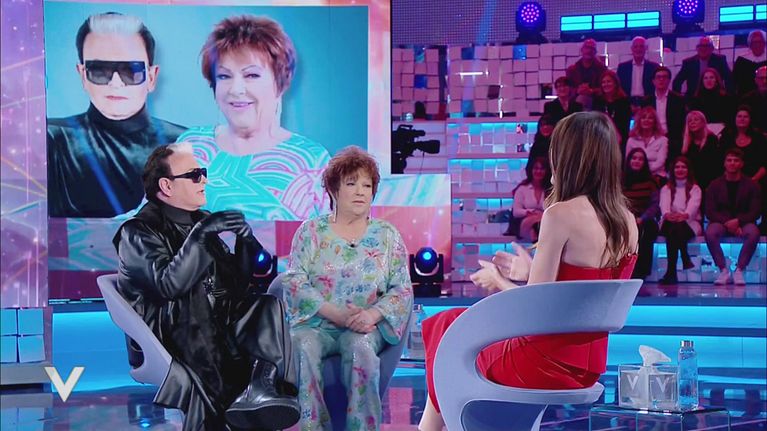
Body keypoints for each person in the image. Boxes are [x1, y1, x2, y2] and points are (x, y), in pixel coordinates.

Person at [418, 112, 639, 431]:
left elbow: (533, 316)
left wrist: (499, 281)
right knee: (450, 328)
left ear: (567, 157)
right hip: (587, 369)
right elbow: (580, 292)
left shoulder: (560, 215)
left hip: (542, 362)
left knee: (447, 331)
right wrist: (529, 271)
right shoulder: (628, 222)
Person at [113, 143, 299, 431]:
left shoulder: (200, 222)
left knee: (265, 306)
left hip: (216, 322)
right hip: (171, 331)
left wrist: (245, 242)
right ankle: (230, 411)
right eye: (194, 175)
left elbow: (236, 287)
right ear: (166, 185)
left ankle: (260, 387)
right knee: (195, 299)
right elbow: (169, 286)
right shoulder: (137, 232)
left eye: (203, 173)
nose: (204, 181)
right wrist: (202, 233)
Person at [282, 146, 413, 430]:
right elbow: (293, 281)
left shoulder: (387, 235)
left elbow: (402, 289)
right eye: (351, 184)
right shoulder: (311, 232)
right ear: (333, 190)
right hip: (317, 324)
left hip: (365, 327)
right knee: (303, 346)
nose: (360, 192)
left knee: (360, 348)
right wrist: (336, 314)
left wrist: (371, 315)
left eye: (367, 185)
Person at [179, 15, 331, 220]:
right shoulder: (192, 145)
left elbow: (338, 233)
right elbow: (148, 221)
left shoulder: (311, 160)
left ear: (280, 81)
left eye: (251, 75)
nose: (236, 89)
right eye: (224, 76)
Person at [47, 12, 185, 218]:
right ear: (83, 75)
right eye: (99, 70)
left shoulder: (187, 144)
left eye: (130, 70)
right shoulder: (48, 140)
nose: (115, 83)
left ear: (151, 77)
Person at [705, 148, 762, 285]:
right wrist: (728, 223)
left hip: (744, 222)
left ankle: (739, 270)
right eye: (729, 160)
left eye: (736, 160)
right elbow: (710, 211)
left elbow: (755, 211)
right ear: (724, 163)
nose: (732, 163)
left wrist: (738, 221)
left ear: (741, 164)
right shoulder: (714, 185)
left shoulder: (752, 185)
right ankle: (723, 270)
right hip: (721, 222)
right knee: (710, 232)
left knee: (753, 232)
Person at [659, 157, 702, 285]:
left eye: (683, 167)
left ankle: (671, 272)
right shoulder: (666, 188)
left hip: (689, 224)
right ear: (673, 170)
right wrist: (668, 215)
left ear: (688, 170)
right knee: (674, 228)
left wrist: (684, 215)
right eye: (677, 167)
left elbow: (693, 207)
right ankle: (684, 257)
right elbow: (664, 207)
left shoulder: (695, 188)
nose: (680, 169)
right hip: (669, 222)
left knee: (675, 230)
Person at [623, 148, 660, 280]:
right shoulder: (620, 180)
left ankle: (641, 271)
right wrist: (629, 218)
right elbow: (617, 202)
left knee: (647, 230)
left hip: (645, 219)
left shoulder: (651, 182)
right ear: (629, 161)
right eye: (634, 158)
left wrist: (641, 218)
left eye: (640, 159)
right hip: (625, 217)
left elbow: (654, 205)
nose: (637, 161)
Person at [642, 66, 688, 162]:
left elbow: (683, 123)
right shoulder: (646, 101)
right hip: (652, 138)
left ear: (669, 80)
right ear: (653, 81)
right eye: (658, 77)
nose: (661, 79)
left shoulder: (678, 100)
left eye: (664, 77)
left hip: (673, 139)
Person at [511, 157, 551, 241]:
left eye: (542, 169)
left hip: (545, 222)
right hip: (526, 223)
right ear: (531, 170)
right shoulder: (522, 189)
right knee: (535, 221)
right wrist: (529, 212)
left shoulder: (550, 190)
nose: (539, 171)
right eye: (536, 168)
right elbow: (516, 212)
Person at [681, 111, 722, 192]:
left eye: (696, 120)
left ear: (703, 123)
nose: (692, 122)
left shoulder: (711, 139)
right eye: (690, 121)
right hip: (691, 181)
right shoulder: (686, 142)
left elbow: (715, 164)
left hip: (709, 181)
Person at [592, 70, 632, 151]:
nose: (606, 84)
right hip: (601, 138)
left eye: (609, 81)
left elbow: (624, 126)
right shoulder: (598, 101)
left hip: (619, 139)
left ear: (615, 84)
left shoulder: (624, 102)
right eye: (603, 82)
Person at [625, 106, 669, 179]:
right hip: (635, 176)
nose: (646, 120)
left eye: (650, 118)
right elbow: (628, 160)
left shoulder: (663, 140)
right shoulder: (631, 140)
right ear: (639, 121)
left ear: (655, 122)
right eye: (643, 117)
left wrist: (644, 171)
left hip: (656, 176)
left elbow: (661, 162)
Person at [566, 39, 607, 110]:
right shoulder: (572, 70)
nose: (589, 50)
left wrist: (591, 91)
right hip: (576, 103)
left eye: (592, 48)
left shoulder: (602, 69)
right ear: (581, 50)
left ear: (595, 52)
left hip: (597, 103)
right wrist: (577, 90)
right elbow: (567, 88)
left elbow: (606, 89)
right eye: (587, 47)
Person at [616, 36, 660, 102]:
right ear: (632, 49)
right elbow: (618, 87)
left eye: (641, 46)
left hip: (648, 102)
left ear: (646, 48)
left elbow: (657, 87)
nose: (638, 49)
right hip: (627, 102)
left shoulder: (654, 67)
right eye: (635, 47)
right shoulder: (622, 68)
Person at [733, 30, 766, 97]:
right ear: (750, 45)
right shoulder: (741, 60)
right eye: (755, 42)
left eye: (760, 42)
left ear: (764, 43)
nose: (757, 45)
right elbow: (734, 81)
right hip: (745, 97)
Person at [739, 66, 767, 134]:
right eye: (761, 78)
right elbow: (744, 122)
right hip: (754, 135)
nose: (765, 81)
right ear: (756, 80)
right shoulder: (747, 99)